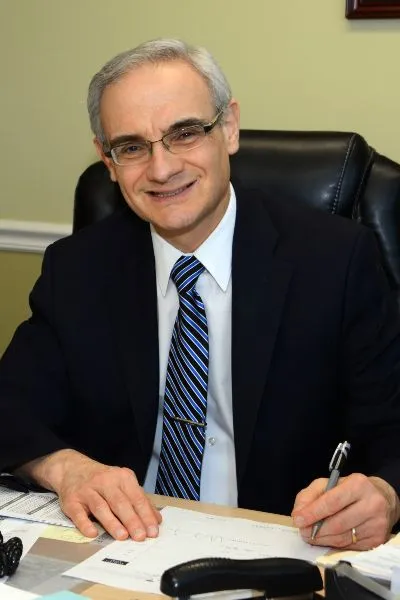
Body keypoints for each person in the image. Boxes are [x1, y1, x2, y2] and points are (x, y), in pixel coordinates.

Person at [1, 39, 400, 552]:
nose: (161, 169)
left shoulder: (335, 260)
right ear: (107, 159)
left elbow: (392, 425)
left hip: (277, 552)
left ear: (228, 127)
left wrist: (386, 495)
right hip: (119, 549)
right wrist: (65, 468)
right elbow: (10, 406)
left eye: (184, 133)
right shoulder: (78, 268)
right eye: (132, 147)